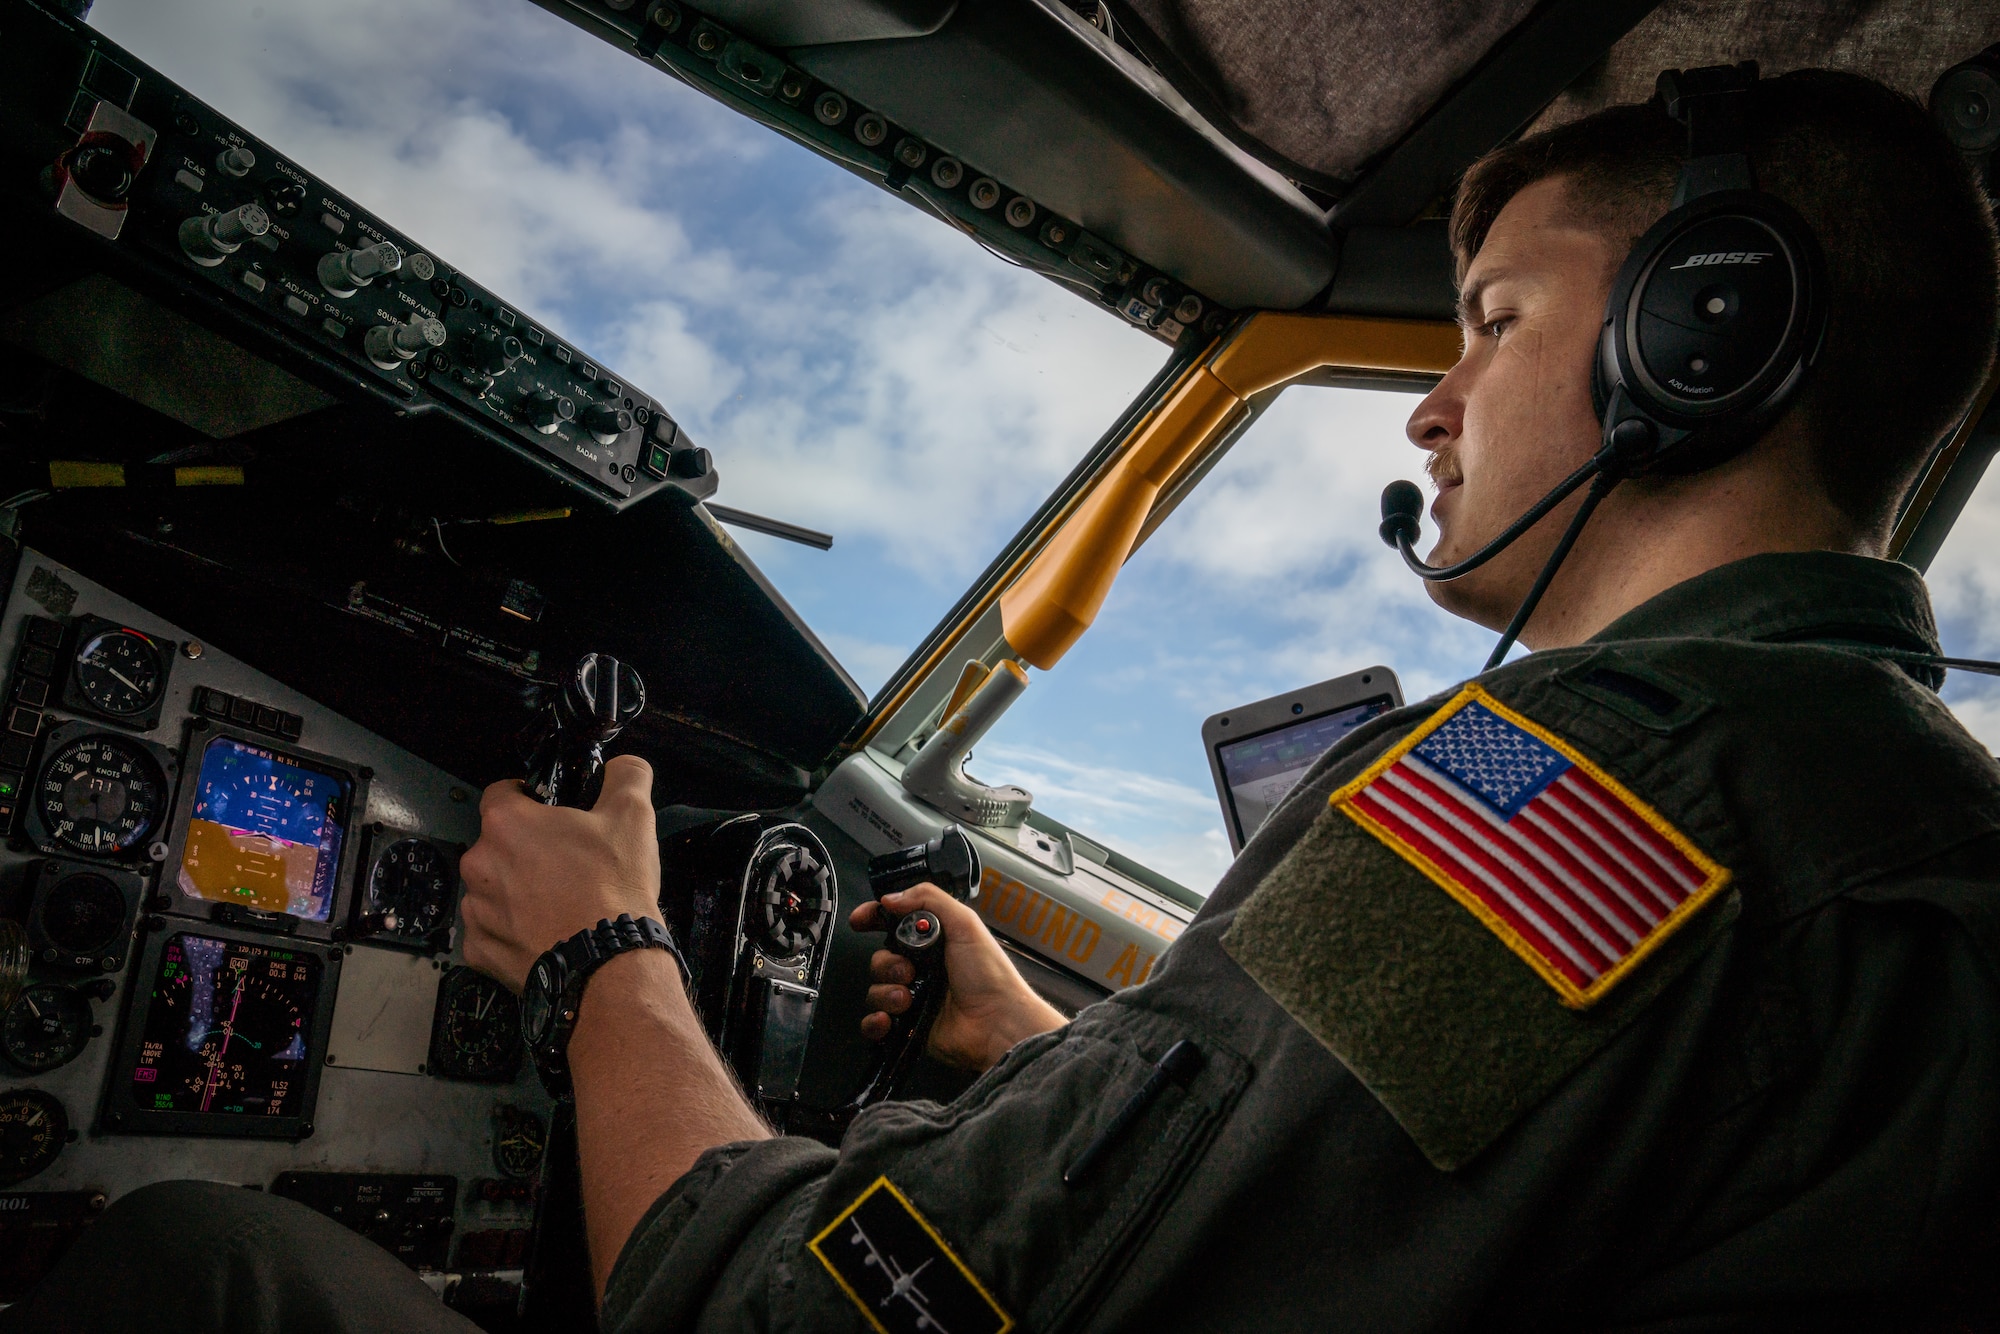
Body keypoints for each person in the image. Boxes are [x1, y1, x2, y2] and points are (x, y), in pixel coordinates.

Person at [6, 65, 2000, 1333]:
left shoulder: (1564, 803)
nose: (1431, 397)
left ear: (1703, 337)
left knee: (202, 1260)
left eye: (1491, 322)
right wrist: (1036, 1044)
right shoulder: (1886, 821)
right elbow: (1400, 1197)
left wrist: (602, 950)